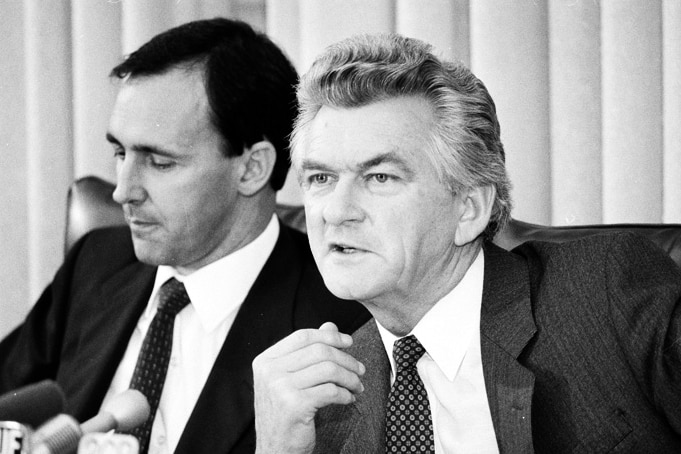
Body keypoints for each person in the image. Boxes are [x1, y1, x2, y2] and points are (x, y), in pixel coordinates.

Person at [252, 33, 681, 453]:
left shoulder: (604, 296)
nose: (336, 211)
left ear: (469, 209)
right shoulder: (324, 398)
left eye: (379, 177)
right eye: (321, 179)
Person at [0, 18, 369, 454]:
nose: (122, 190)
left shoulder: (344, 322)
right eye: (121, 153)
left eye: (159, 163)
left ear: (252, 168)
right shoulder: (96, 262)